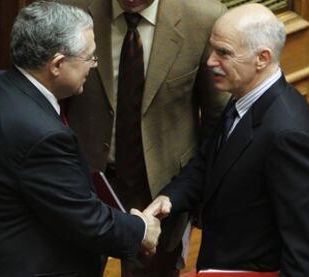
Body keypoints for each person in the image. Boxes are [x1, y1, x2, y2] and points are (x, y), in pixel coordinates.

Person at [0, 2, 161, 277]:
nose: (94, 66)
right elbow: (87, 220)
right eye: (90, 57)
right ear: (57, 64)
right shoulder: (43, 136)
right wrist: (141, 229)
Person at [146, 3, 309, 276]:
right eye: (212, 48)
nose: (209, 62)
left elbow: (304, 252)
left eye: (224, 53)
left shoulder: (290, 135)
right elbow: (209, 161)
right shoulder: (244, 99)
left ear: (262, 58)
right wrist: (170, 197)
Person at [56, 0, 230, 276]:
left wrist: (199, 194)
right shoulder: (69, 7)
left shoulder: (203, 18)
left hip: (160, 189)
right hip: (84, 179)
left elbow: (216, 117)